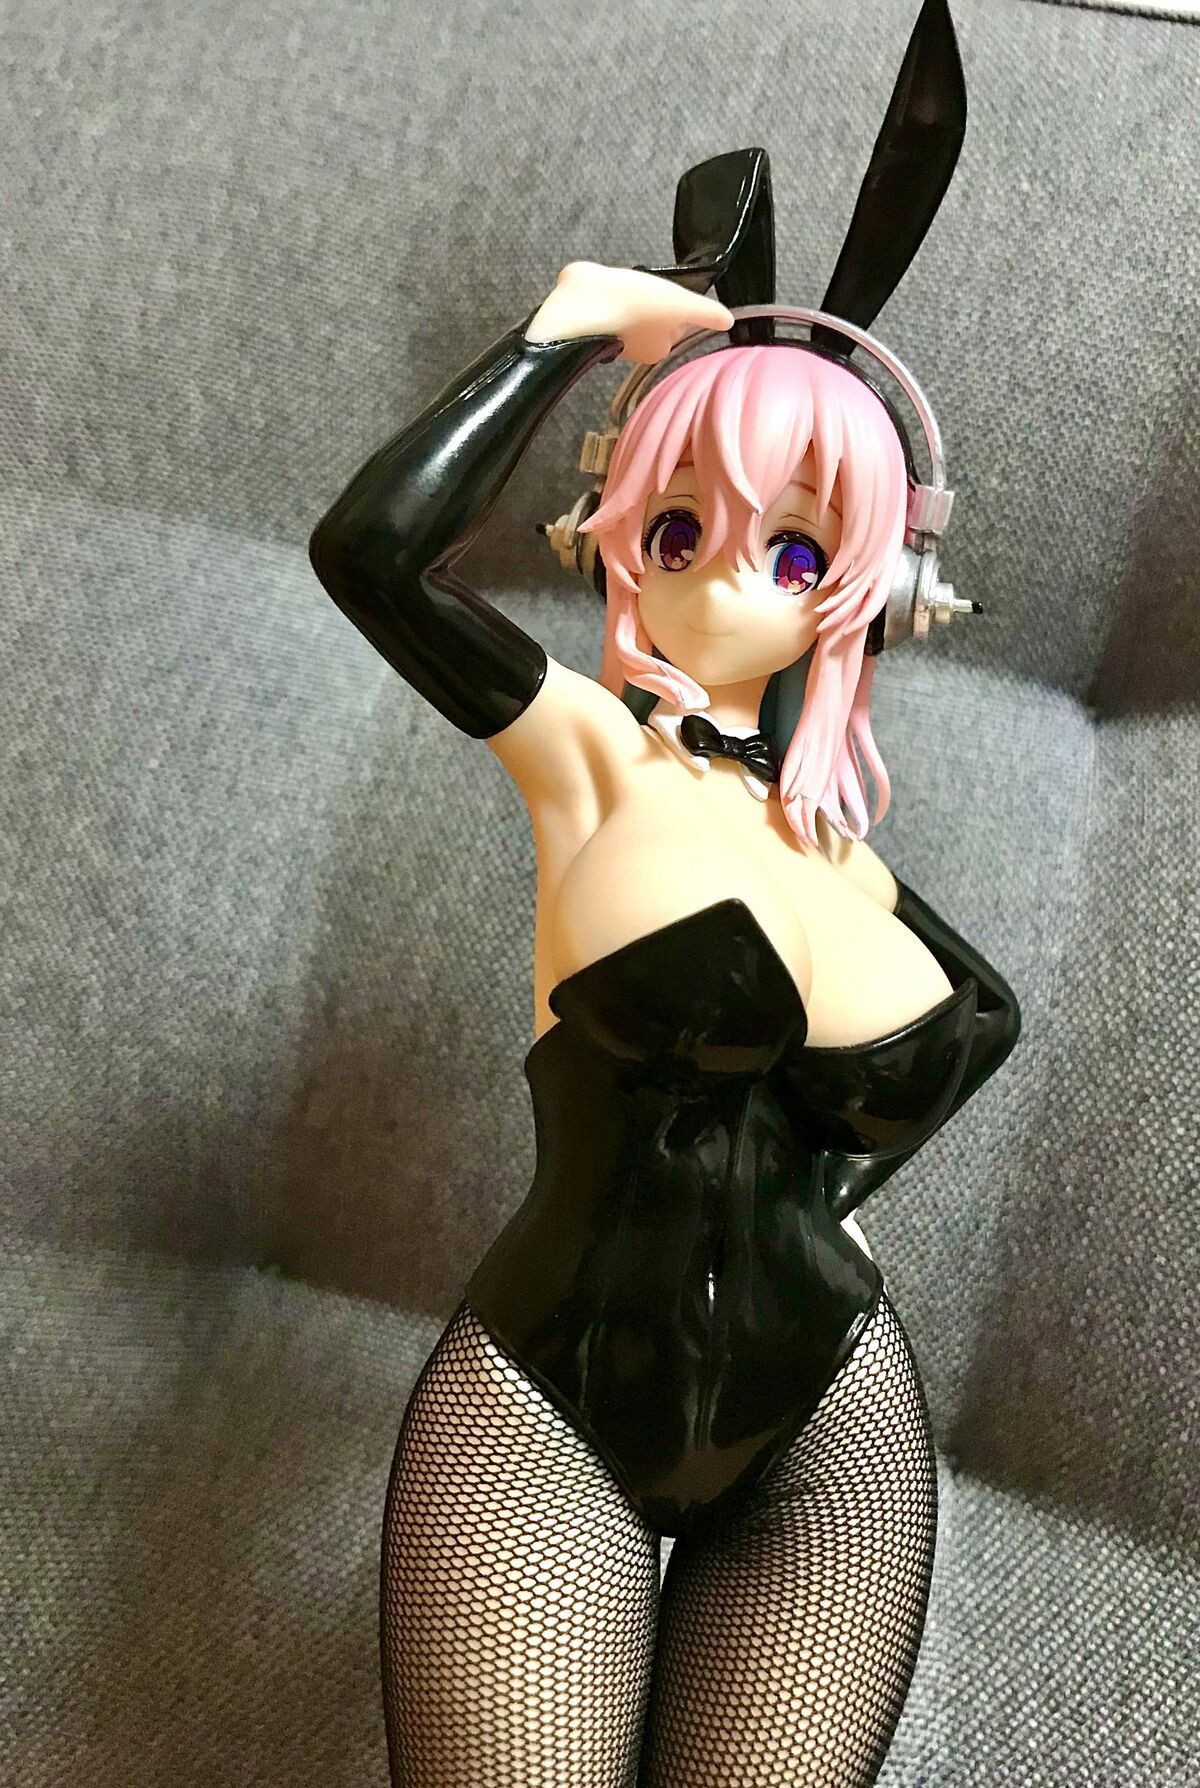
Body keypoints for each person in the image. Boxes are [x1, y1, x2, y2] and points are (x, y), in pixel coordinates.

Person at [307, 12, 1019, 1784]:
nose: (715, 579)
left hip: (833, 1429)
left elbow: (974, 1026)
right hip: (552, 1410)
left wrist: (832, 1195)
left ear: (864, 590)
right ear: (616, 523)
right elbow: (372, 554)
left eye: (795, 548)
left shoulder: (839, 850)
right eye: (676, 525)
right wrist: (563, 330)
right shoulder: (586, 754)